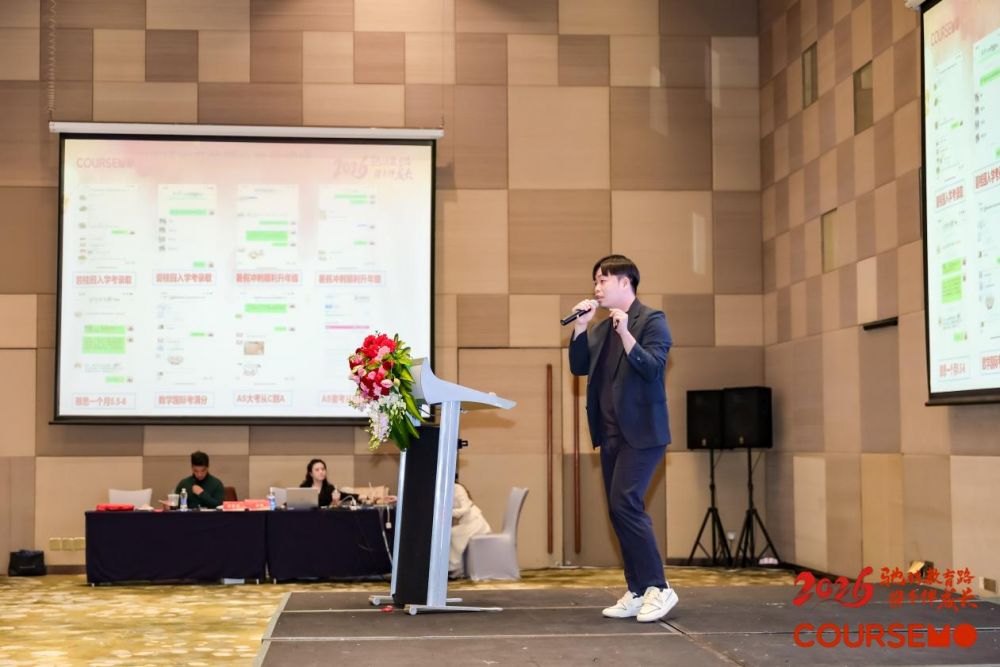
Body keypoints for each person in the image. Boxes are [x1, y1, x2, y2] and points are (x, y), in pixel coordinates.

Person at [568, 254, 678, 623]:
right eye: (595, 281)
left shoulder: (652, 320)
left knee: (626, 503)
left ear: (624, 282)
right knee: (618, 509)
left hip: (643, 433)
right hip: (611, 434)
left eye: (602, 280)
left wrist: (627, 333)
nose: (596, 288)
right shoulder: (601, 329)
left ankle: (659, 587)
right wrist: (581, 327)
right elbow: (579, 367)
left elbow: (652, 368)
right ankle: (637, 589)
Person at [449, 480, 490, 577]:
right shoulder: (444, 490)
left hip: (475, 523)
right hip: (467, 522)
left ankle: (455, 567)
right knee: (450, 534)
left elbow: (465, 509)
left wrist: (448, 512)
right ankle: (454, 567)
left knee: (452, 534)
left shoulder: (458, 489)